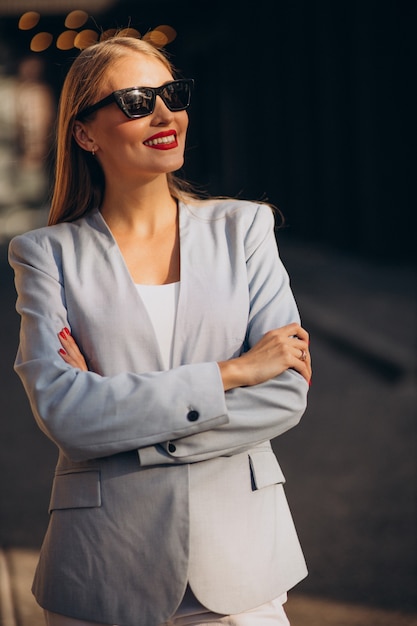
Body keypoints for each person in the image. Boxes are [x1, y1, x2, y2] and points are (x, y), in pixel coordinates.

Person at [8, 36, 312, 626]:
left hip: (242, 565)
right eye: (136, 100)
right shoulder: (45, 255)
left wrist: (120, 420)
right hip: (103, 564)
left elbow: (284, 395)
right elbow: (65, 414)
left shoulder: (244, 229)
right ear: (85, 133)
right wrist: (233, 373)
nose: (164, 113)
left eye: (171, 94)